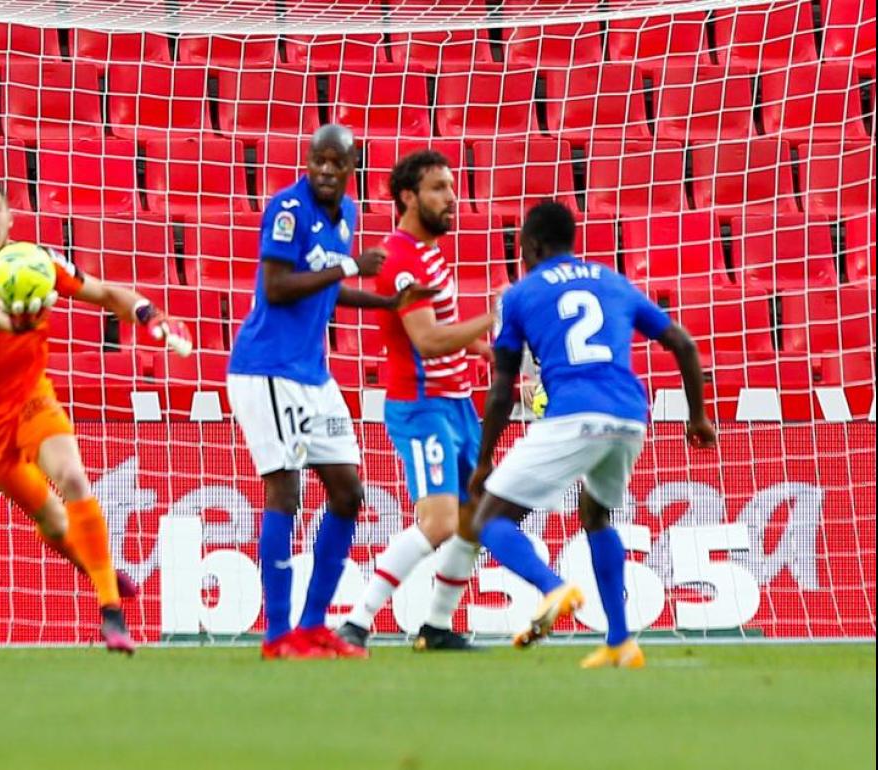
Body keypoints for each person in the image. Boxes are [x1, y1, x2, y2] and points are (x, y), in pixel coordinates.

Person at [0, 178, 192, 655]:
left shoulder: (42, 263)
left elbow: (106, 292)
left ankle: (111, 613)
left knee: (74, 477)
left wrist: (151, 316)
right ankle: (95, 564)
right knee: (54, 522)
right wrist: (19, 314)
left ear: (11, 217)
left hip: (31, 395)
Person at [466, 200, 716, 668]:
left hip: (573, 415)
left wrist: (484, 461)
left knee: (486, 520)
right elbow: (682, 342)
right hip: (630, 415)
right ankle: (620, 640)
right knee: (596, 514)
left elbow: (502, 390)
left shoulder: (519, 295)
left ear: (532, 246)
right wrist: (698, 416)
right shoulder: (614, 282)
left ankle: (552, 589)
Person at [227, 124, 432, 660]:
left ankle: (315, 626)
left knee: (348, 491)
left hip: (313, 376)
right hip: (267, 368)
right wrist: (349, 265)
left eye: (334, 162)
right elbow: (275, 286)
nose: (322, 169)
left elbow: (329, 288)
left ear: (350, 169)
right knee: (286, 493)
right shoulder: (287, 209)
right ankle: (277, 636)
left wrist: (384, 303)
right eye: (316, 159)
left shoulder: (347, 220)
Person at [335, 150, 493, 652]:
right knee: (441, 521)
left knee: (475, 517)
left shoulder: (429, 252)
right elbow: (425, 341)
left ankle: (437, 626)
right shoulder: (400, 259)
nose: (452, 198)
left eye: (451, 187)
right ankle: (356, 622)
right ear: (408, 197)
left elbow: (439, 329)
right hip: (423, 407)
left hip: (458, 403)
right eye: (439, 189)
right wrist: (492, 317)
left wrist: (480, 347)